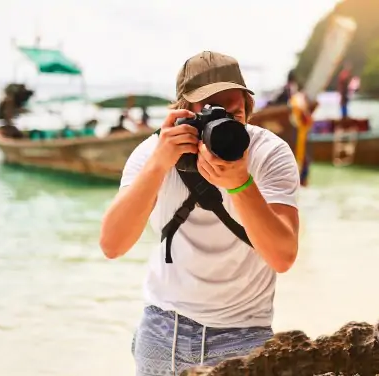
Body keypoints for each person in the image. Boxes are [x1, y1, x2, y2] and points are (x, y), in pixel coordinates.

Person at [99, 51, 301, 376]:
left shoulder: (269, 154)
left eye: (233, 115)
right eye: (210, 115)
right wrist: (158, 165)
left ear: (248, 111)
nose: (223, 126)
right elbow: (112, 245)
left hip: (244, 332)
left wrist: (240, 183)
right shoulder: (153, 154)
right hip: (164, 327)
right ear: (182, 116)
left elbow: (283, 256)